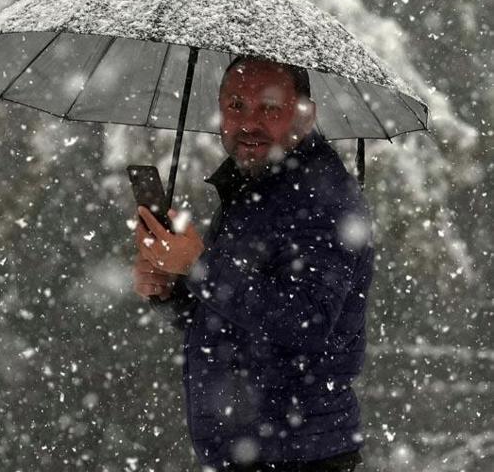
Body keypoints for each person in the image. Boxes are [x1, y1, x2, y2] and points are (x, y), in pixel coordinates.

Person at [131, 56, 372, 471]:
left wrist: (200, 266)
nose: (248, 123)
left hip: (299, 456)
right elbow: (227, 321)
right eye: (236, 105)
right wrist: (172, 287)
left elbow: (308, 321)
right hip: (255, 453)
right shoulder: (256, 184)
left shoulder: (322, 198)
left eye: (270, 108)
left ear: (305, 115)